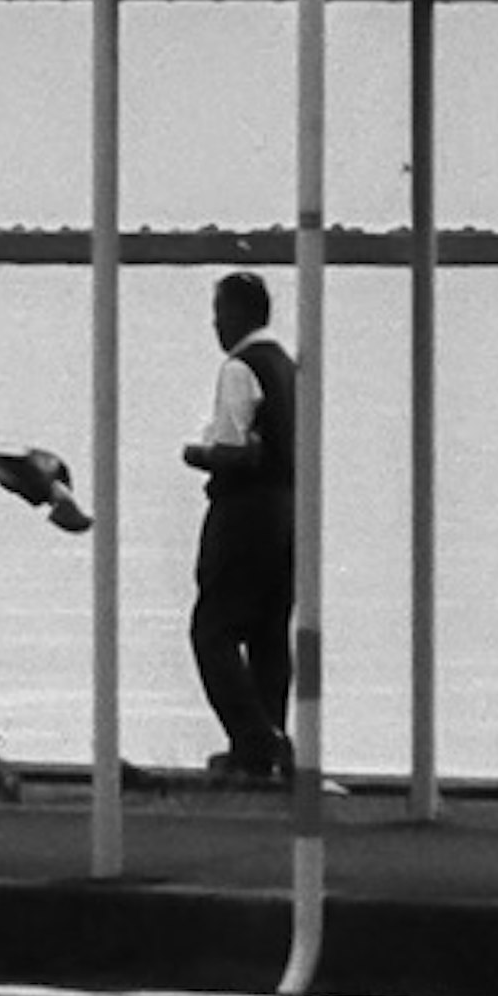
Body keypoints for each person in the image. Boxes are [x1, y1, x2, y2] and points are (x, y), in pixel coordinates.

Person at [183, 267, 296, 782]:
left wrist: (198, 454)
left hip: (244, 513)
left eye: (218, 312)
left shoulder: (240, 368)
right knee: (271, 633)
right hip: (289, 512)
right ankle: (268, 741)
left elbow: (232, 448)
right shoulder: (287, 368)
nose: (213, 325)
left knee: (214, 631)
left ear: (238, 313)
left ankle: (254, 739)